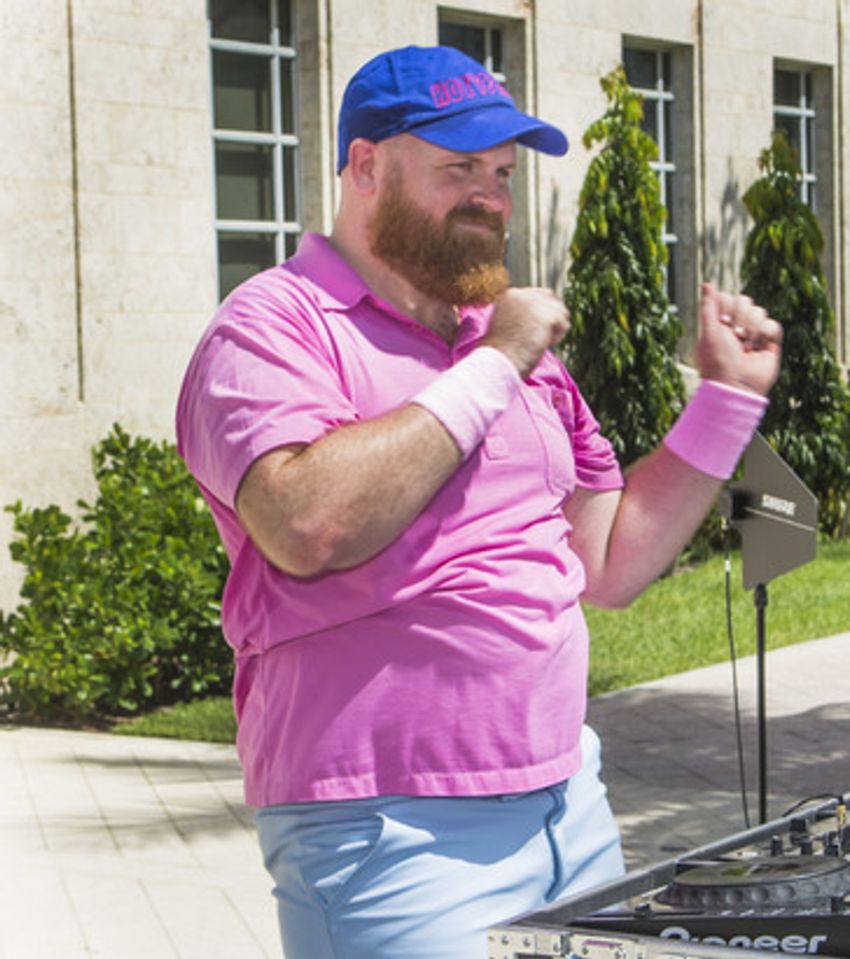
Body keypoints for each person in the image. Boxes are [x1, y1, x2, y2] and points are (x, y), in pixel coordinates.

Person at [175, 45, 781, 959]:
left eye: (501, 171)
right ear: (366, 164)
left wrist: (725, 403)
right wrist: (493, 364)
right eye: (460, 166)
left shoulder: (508, 344)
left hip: (570, 804)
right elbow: (307, 523)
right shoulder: (273, 326)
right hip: (390, 833)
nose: (491, 195)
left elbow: (608, 562)